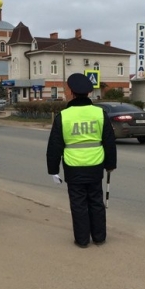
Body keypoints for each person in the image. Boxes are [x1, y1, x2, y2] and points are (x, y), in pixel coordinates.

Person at [46, 73, 117, 248]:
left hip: (73, 166)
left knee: (78, 204)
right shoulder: (100, 113)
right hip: (95, 165)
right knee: (96, 202)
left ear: (71, 92)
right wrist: (110, 164)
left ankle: (82, 239)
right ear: (89, 93)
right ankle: (99, 237)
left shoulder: (64, 116)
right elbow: (109, 141)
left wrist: (53, 170)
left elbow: (55, 145)